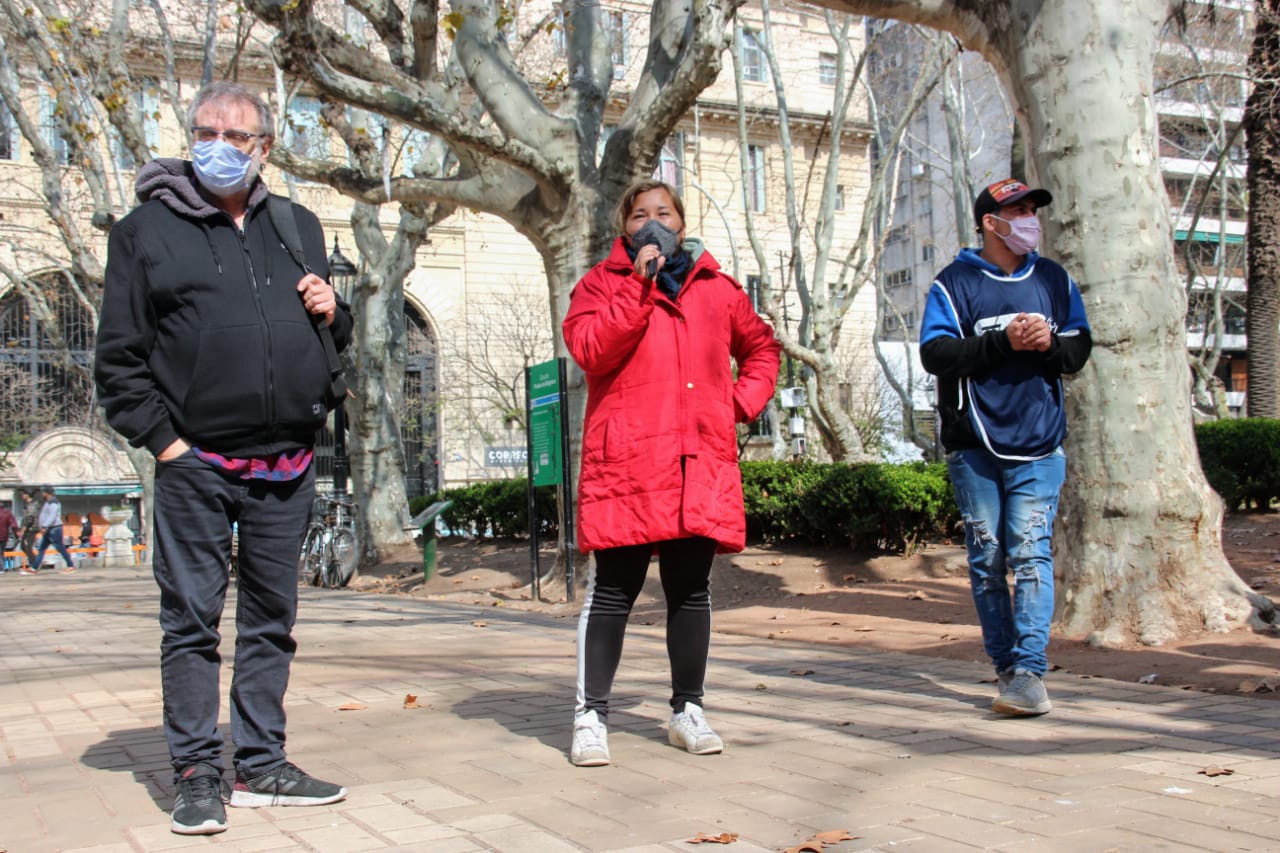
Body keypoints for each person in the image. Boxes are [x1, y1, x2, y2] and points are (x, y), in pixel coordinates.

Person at [94, 81, 351, 836]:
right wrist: (168, 447)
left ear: (263, 147)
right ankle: (196, 773)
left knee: (272, 620)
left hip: (286, 464)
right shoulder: (143, 232)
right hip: (194, 465)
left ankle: (261, 763)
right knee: (191, 624)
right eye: (205, 132)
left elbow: (329, 338)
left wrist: (335, 313)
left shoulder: (297, 225)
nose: (218, 146)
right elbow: (120, 360)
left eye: (236, 136)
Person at [562, 180, 781, 766]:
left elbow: (763, 349)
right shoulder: (600, 285)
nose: (653, 223)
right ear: (624, 227)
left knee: (691, 588)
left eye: (664, 212)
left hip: (698, 458)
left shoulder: (718, 289)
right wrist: (639, 285)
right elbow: (590, 350)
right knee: (614, 590)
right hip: (628, 460)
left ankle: (688, 709)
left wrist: (737, 403)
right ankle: (591, 716)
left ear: (683, 224)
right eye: (640, 215)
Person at [919, 178, 1092, 717]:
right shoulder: (953, 284)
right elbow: (935, 354)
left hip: (1041, 444)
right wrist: (1003, 341)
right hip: (974, 446)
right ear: (989, 223)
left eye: (1032, 209)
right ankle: (1006, 668)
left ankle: (1030, 673)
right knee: (988, 558)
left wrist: (1049, 344)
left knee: (1031, 552)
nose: (1029, 218)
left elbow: (1078, 349)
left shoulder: (1054, 279)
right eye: (1017, 210)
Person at [33, 486, 76, 573]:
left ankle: (71, 565)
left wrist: (44, 525)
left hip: (54, 529)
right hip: (49, 529)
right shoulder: (48, 502)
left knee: (60, 548)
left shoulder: (54, 502)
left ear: (47, 493)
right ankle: (34, 568)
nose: (42, 494)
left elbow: (52, 516)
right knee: (42, 548)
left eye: (43, 492)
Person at [17, 490, 39, 574]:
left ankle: (33, 565)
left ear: (27, 495)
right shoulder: (27, 505)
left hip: (31, 528)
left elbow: (30, 519)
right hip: (27, 528)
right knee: (23, 546)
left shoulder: (32, 505)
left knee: (28, 546)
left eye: (23, 495)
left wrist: (23, 530)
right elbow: (25, 518)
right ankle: (35, 561)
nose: (22, 496)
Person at [0, 499, 18, 572]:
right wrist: (16, 533)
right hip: (4, 536)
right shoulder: (7, 513)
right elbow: (13, 525)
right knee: (2, 552)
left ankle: (1, 568)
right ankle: (2, 568)